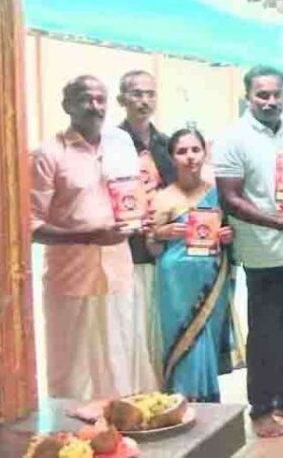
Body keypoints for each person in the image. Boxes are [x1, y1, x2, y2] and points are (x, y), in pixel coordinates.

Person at [30, 75, 158, 399]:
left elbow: (131, 198)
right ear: (67, 105)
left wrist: (141, 218)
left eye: (100, 99)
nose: (94, 106)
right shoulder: (48, 153)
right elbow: (30, 226)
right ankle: (69, 429)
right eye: (85, 99)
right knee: (71, 371)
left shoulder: (120, 144)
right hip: (71, 278)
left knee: (120, 363)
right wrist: (89, 236)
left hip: (118, 274)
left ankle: (118, 426)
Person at [213, 65, 283, 438]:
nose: (270, 101)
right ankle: (260, 408)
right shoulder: (233, 138)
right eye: (262, 95)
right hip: (262, 253)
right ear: (248, 96)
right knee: (265, 333)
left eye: (276, 94)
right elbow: (230, 197)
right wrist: (273, 221)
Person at [147, 128, 242, 402]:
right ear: (172, 157)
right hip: (176, 283)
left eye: (195, 150)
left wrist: (228, 236)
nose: (190, 157)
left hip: (212, 279)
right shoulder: (163, 197)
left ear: (204, 153)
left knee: (206, 338)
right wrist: (162, 233)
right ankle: (180, 403)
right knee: (182, 340)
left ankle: (209, 405)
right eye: (182, 151)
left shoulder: (218, 193)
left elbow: (231, 234)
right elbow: (152, 248)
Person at [116, 69, 178, 378]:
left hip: (166, 249)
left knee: (161, 326)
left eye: (150, 94)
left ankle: (163, 390)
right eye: (137, 94)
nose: (144, 100)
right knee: (131, 328)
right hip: (125, 251)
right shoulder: (110, 143)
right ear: (122, 99)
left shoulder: (167, 144)